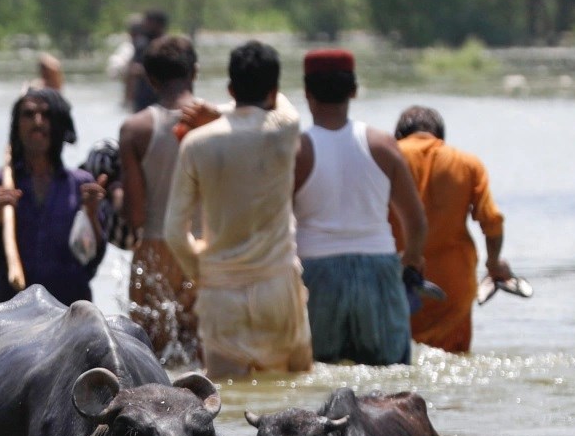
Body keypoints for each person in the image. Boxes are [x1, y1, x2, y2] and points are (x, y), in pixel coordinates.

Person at [164, 41, 314, 378]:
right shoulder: (285, 129)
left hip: (221, 295)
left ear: (231, 87)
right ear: (273, 90)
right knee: (297, 394)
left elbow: (175, 231)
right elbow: (280, 108)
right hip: (279, 287)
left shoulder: (196, 143)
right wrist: (219, 113)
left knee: (227, 403)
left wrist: (202, 275)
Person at [291, 49, 430, 365]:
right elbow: (416, 221)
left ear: (307, 92)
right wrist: (410, 260)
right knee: (388, 382)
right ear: (353, 90)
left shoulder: (297, 151)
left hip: (316, 273)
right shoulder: (382, 144)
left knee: (320, 386)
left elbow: (278, 223)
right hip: (378, 270)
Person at [0, 87, 106, 305]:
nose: (38, 122)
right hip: (6, 311)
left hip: (65, 314)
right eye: (29, 115)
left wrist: (92, 216)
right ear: (17, 125)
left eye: (46, 115)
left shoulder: (81, 185)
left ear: (58, 124)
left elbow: (91, 259)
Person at [395, 105, 513, 354]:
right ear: (440, 136)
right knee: (453, 364)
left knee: (388, 373)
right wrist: (494, 264)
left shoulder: (387, 157)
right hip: (452, 287)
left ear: (400, 135)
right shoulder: (467, 164)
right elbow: (492, 221)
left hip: (396, 281)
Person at [117, 33, 205, 365]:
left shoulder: (136, 129)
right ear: (194, 72)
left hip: (155, 252)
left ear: (151, 80)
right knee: (204, 360)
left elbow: (136, 215)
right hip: (205, 249)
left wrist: (115, 196)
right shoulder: (217, 123)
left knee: (152, 362)